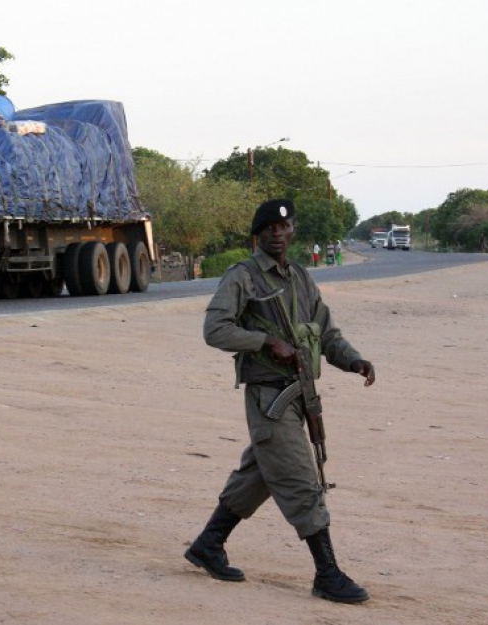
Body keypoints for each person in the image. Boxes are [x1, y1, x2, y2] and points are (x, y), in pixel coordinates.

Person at [185, 198, 376, 604]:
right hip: (269, 397)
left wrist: (353, 360)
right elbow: (214, 329)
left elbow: (325, 332)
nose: (277, 232)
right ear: (258, 235)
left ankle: (207, 545)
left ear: (292, 233)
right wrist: (264, 341)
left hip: (299, 393)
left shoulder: (302, 279)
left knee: (259, 475)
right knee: (301, 480)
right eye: (269, 227)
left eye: (284, 227)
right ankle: (327, 573)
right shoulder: (244, 278)